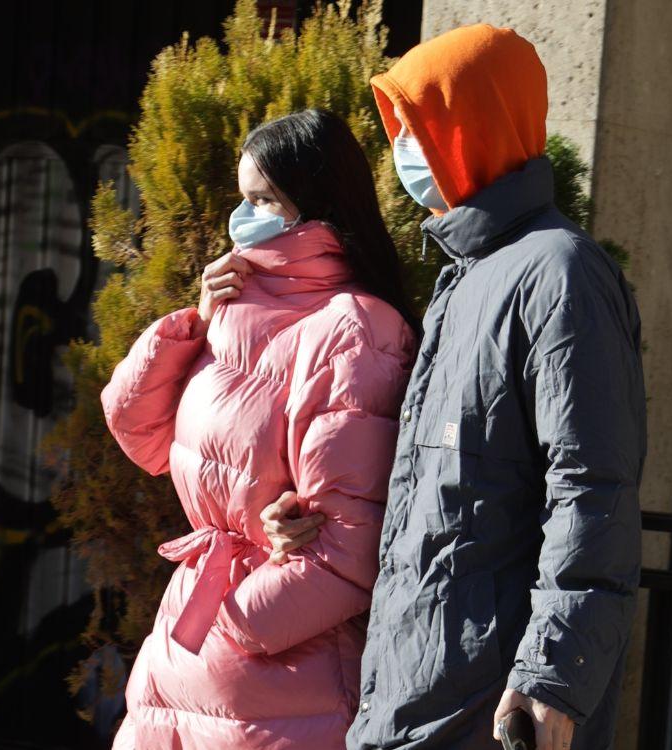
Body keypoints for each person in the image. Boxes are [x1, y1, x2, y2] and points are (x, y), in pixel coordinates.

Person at [262, 24, 648, 750]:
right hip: (411, 694)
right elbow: (434, 488)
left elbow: (593, 490)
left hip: (490, 708)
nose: (402, 150)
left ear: (469, 128)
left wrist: (553, 675)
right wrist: (315, 512)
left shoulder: (559, 274)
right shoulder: (464, 280)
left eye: (417, 128)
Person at [101, 108, 418, 749]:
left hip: (281, 684)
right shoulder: (234, 304)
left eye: (263, 200)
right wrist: (194, 319)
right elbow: (142, 435)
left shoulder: (357, 329)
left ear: (315, 202)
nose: (244, 218)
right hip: (185, 650)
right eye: (240, 198)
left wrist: (238, 622)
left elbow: (350, 548)